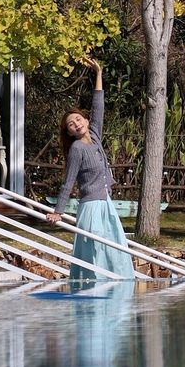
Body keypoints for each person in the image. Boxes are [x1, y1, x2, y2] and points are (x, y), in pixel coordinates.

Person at [46, 59, 135, 280]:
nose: (76, 123)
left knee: (113, 248)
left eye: (78, 119)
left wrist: (98, 74)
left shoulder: (94, 136)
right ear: (70, 132)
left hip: (105, 203)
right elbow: (69, 181)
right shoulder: (77, 148)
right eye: (71, 125)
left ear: (85, 120)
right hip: (92, 208)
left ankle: (117, 290)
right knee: (95, 251)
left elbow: (98, 107)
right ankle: (91, 291)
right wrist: (58, 211)